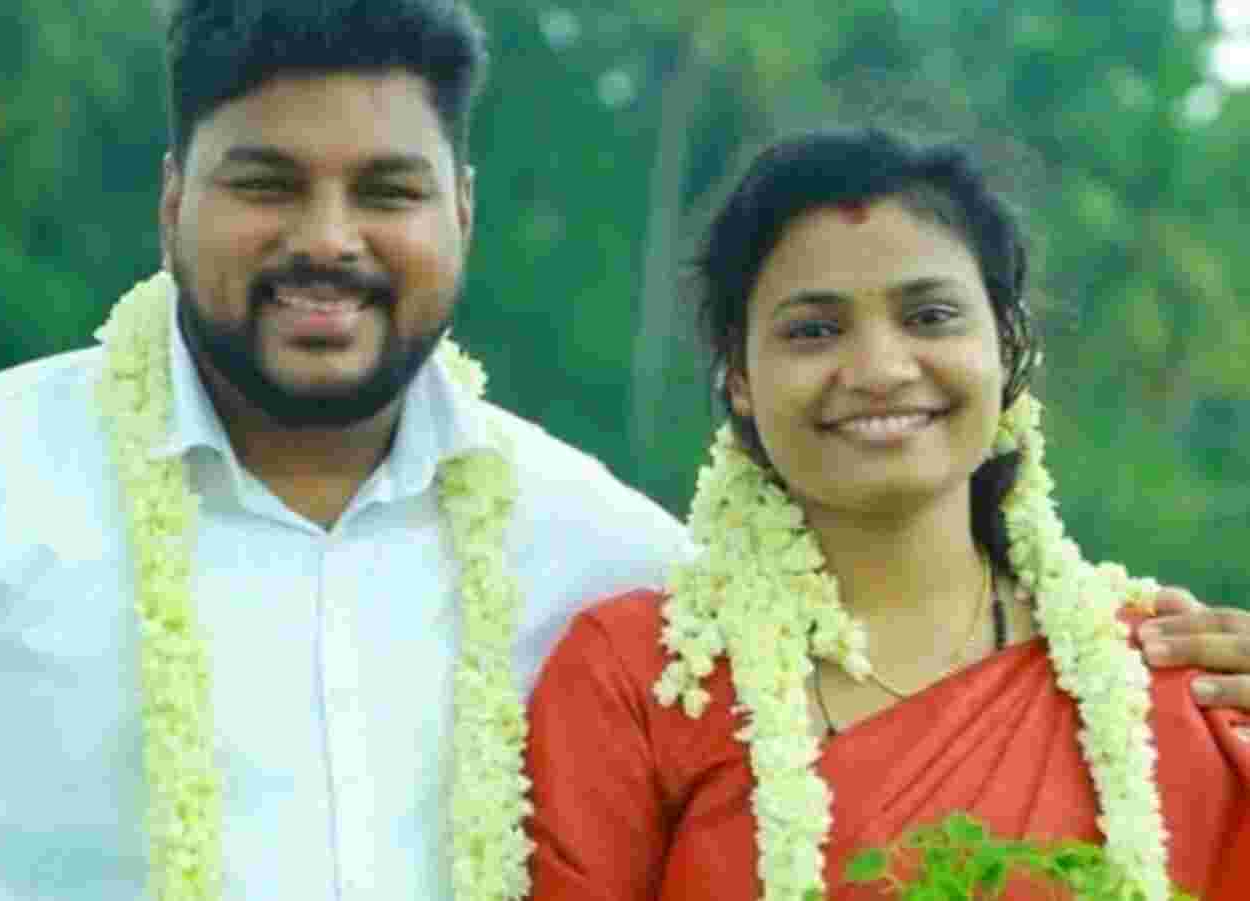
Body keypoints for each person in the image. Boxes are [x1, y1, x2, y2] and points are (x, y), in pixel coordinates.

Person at [0, 5, 1246, 900]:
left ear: (460, 208)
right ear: (169, 199)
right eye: (265, 183)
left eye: (386, 189)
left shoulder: (597, 548)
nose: (328, 238)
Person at [524, 127, 1250, 901]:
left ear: (1007, 344)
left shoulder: (1161, 675)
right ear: (739, 376)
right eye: (814, 330)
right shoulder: (641, 677)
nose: (879, 369)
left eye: (930, 316)